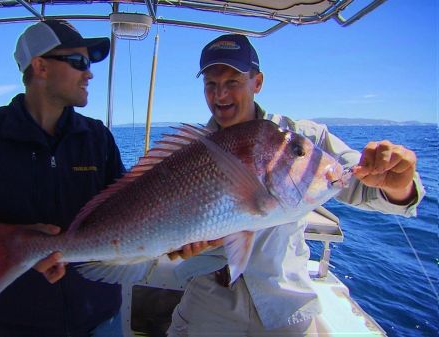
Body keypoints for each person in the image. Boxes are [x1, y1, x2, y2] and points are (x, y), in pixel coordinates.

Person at [166, 34, 425, 336]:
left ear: (257, 82)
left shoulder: (302, 139)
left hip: (285, 303)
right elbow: (160, 231)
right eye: (211, 84)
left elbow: (365, 184)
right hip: (210, 300)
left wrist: (397, 182)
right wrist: (176, 246)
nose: (220, 94)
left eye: (233, 81)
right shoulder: (189, 154)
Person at [0, 20, 125, 337]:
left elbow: (123, 214)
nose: (89, 73)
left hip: (101, 318)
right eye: (79, 62)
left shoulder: (97, 137)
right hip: (17, 324)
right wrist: (19, 240)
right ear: (40, 67)